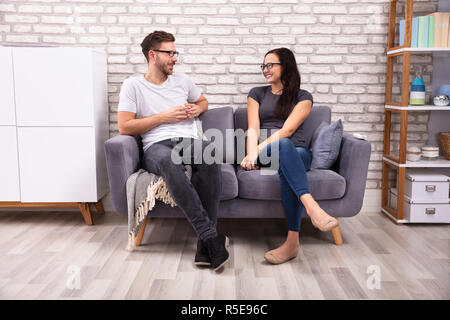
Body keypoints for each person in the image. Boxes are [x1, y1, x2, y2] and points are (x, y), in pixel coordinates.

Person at [117, 30, 229, 272]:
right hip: (156, 146)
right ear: (152, 55)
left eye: (175, 53)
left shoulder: (183, 81)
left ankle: (204, 242)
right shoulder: (133, 85)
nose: (175, 58)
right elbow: (125, 126)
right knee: (168, 161)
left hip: (189, 141)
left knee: (209, 154)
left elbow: (203, 102)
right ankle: (210, 236)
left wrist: (197, 110)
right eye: (170, 53)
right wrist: (162, 117)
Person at [241, 47, 339, 265]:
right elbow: (253, 128)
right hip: (266, 152)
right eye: (263, 66)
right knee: (283, 147)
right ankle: (312, 208)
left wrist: (255, 151)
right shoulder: (256, 93)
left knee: (287, 153)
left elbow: (288, 131)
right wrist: (252, 153)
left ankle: (292, 244)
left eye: (270, 65)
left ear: (285, 66)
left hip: (298, 152)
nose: (265, 70)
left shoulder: (303, 97)